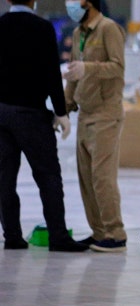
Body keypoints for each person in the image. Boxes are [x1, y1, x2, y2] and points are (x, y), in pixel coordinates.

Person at [0, 0, 88, 252]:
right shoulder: (42, 28)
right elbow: (51, 73)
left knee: (5, 178)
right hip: (31, 114)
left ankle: (13, 236)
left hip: (2, 112)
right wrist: (61, 112)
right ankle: (58, 236)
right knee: (48, 176)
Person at [63, 0, 128, 252]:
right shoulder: (79, 32)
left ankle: (116, 233)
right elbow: (72, 75)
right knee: (87, 178)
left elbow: (117, 67)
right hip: (85, 114)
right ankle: (100, 232)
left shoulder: (109, 29)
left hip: (105, 114)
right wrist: (64, 109)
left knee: (103, 177)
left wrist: (87, 68)